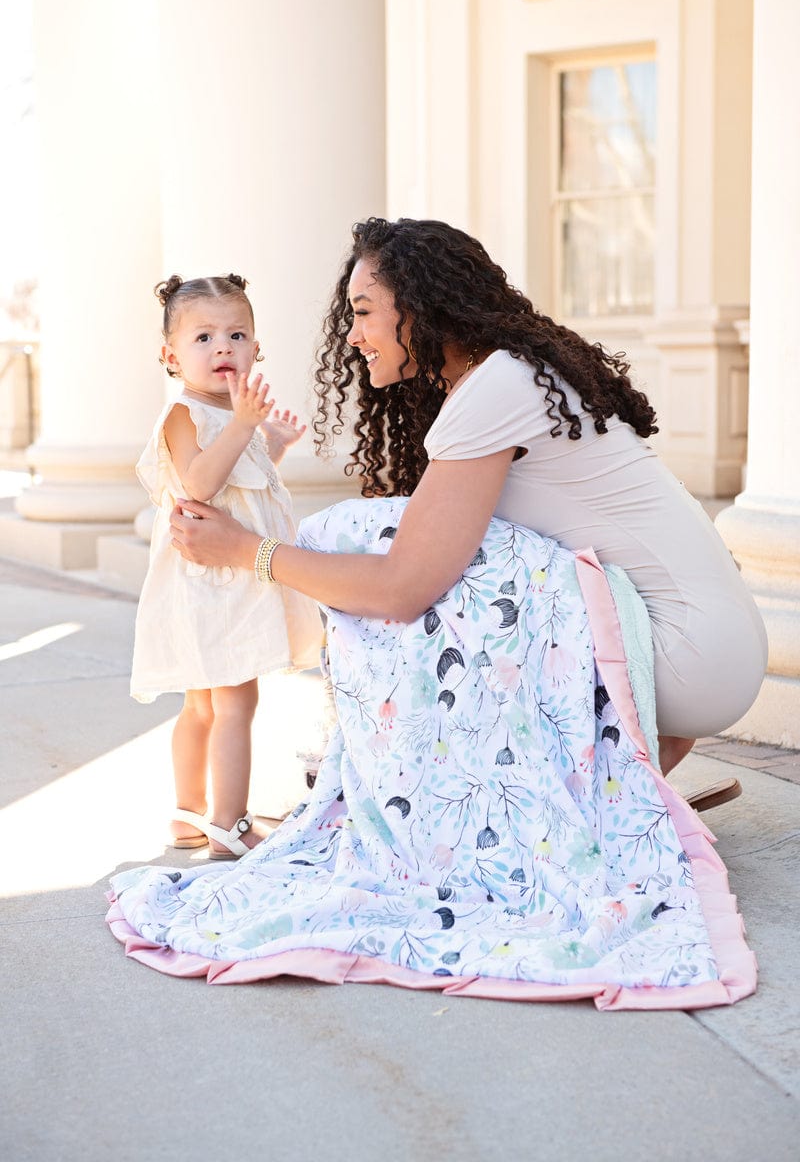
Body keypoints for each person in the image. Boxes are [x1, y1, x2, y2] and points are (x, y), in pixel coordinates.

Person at [107, 221, 764, 1008]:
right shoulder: (508, 374)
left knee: (352, 536)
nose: (351, 336)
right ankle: (438, 785)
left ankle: (410, 789)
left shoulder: (494, 387)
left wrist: (248, 551)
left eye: (363, 310)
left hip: (681, 656)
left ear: (418, 307)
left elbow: (401, 589)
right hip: (700, 649)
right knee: (420, 537)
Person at [130, 273, 321, 859]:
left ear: (256, 348)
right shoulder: (185, 415)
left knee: (206, 704)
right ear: (170, 355)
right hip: (211, 584)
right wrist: (243, 426)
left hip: (223, 580)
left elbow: (248, 484)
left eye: (236, 334)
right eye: (203, 336)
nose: (222, 348)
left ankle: (190, 816)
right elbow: (200, 483)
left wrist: (273, 443)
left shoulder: (235, 415)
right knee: (232, 702)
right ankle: (229, 825)